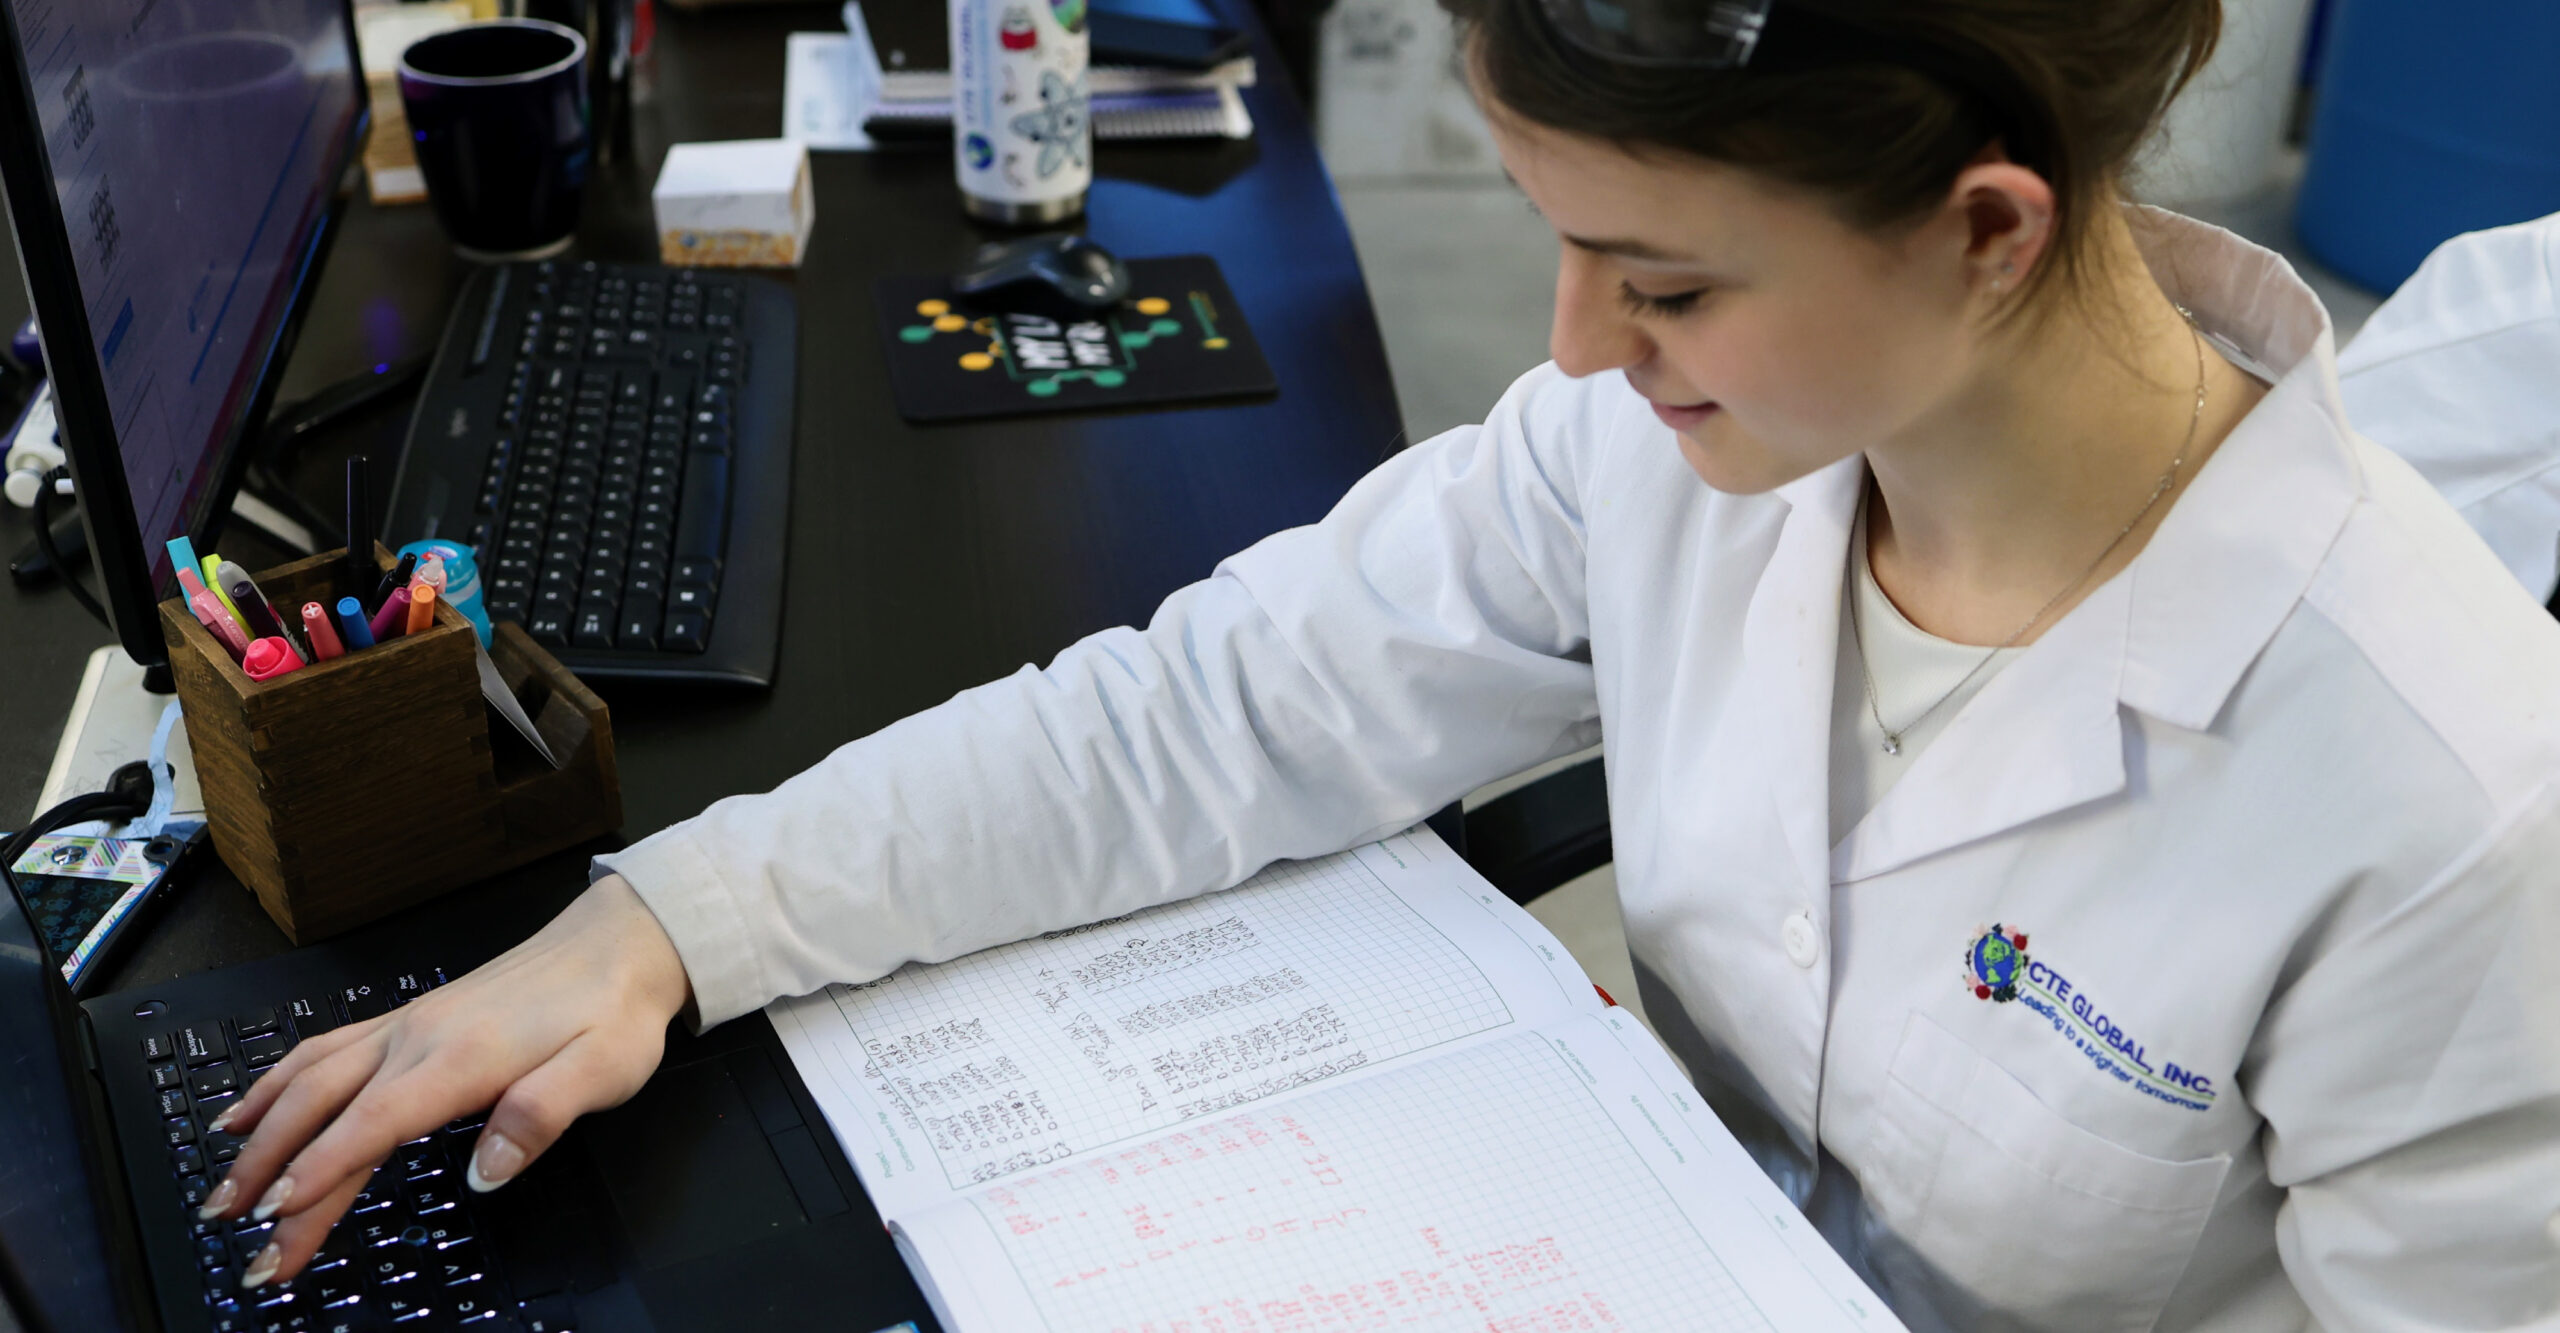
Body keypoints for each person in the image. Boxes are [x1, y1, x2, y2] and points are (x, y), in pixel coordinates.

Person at [199, 0, 2560, 1326]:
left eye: (1656, 281)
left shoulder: (2441, 804)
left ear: (1983, 231)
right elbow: (1206, 710)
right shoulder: (1680, 455)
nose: (1563, 348)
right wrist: (666, 921)